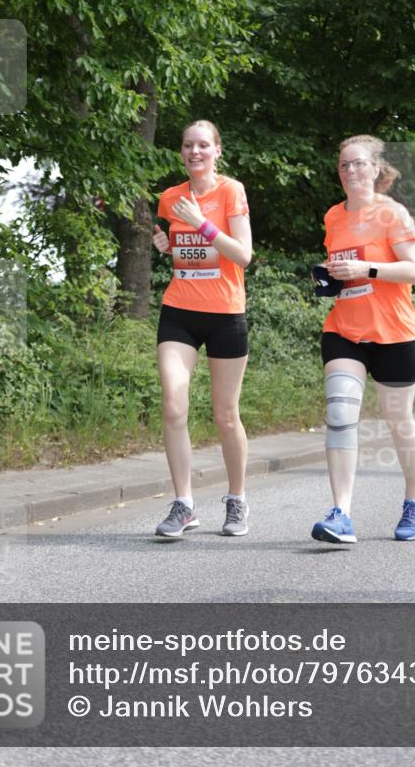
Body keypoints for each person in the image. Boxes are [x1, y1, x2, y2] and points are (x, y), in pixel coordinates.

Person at [311, 135, 415, 544]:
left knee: (398, 422)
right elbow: (340, 269)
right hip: (344, 330)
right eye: (343, 165)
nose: (350, 172)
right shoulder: (332, 216)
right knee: (341, 413)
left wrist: (367, 267)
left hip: (394, 333)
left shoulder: (392, 213)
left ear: (376, 169)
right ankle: (341, 512)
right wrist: (328, 277)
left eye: (358, 164)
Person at [151, 120, 252, 538]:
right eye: (189, 145)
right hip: (179, 311)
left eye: (203, 145)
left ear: (217, 151)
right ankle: (184, 504)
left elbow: (243, 255)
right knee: (174, 404)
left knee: (226, 415)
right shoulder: (169, 197)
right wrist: (168, 246)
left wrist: (202, 223)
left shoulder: (231, 191)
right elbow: (177, 245)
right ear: (182, 151)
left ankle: (237, 500)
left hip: (226, 313)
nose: (195, 151)